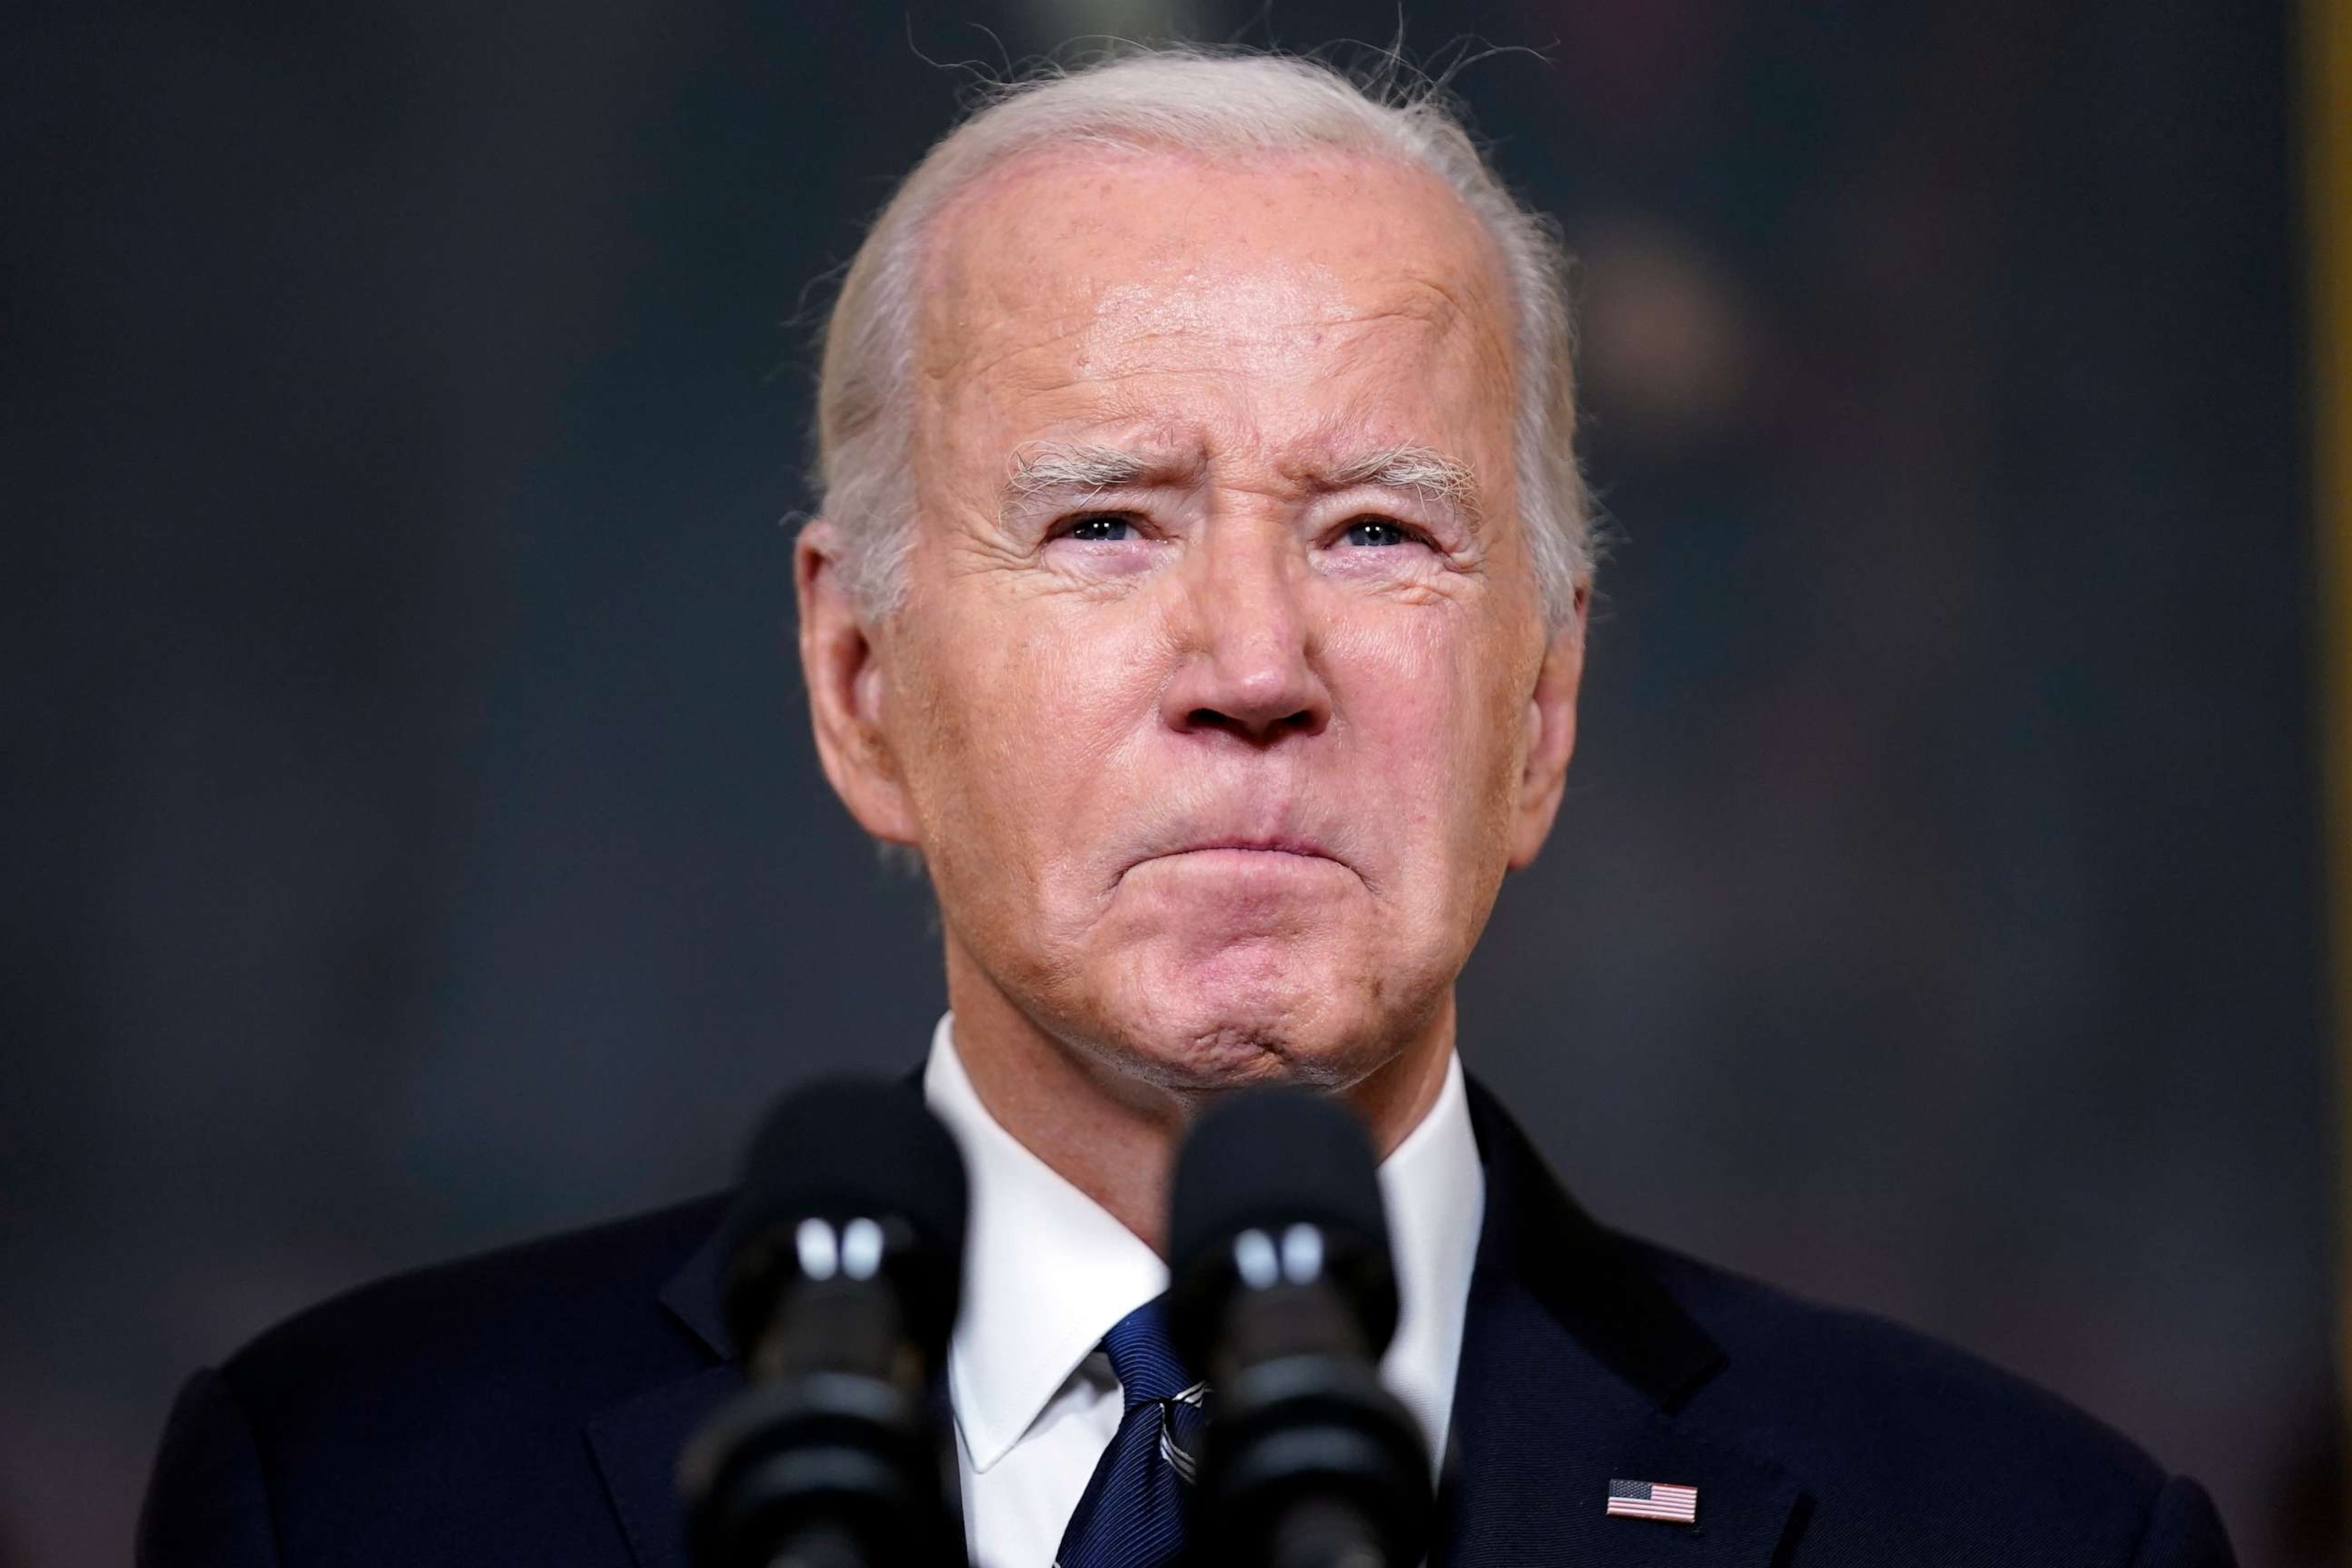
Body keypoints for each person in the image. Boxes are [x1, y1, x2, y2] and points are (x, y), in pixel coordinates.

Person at [139, 47, 2236, 1567]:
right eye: (1109, 522)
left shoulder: (2017, 1530)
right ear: (860, 682)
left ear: (1546, 705)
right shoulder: (354, 1493)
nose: (1253, 667)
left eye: (1378, 533)